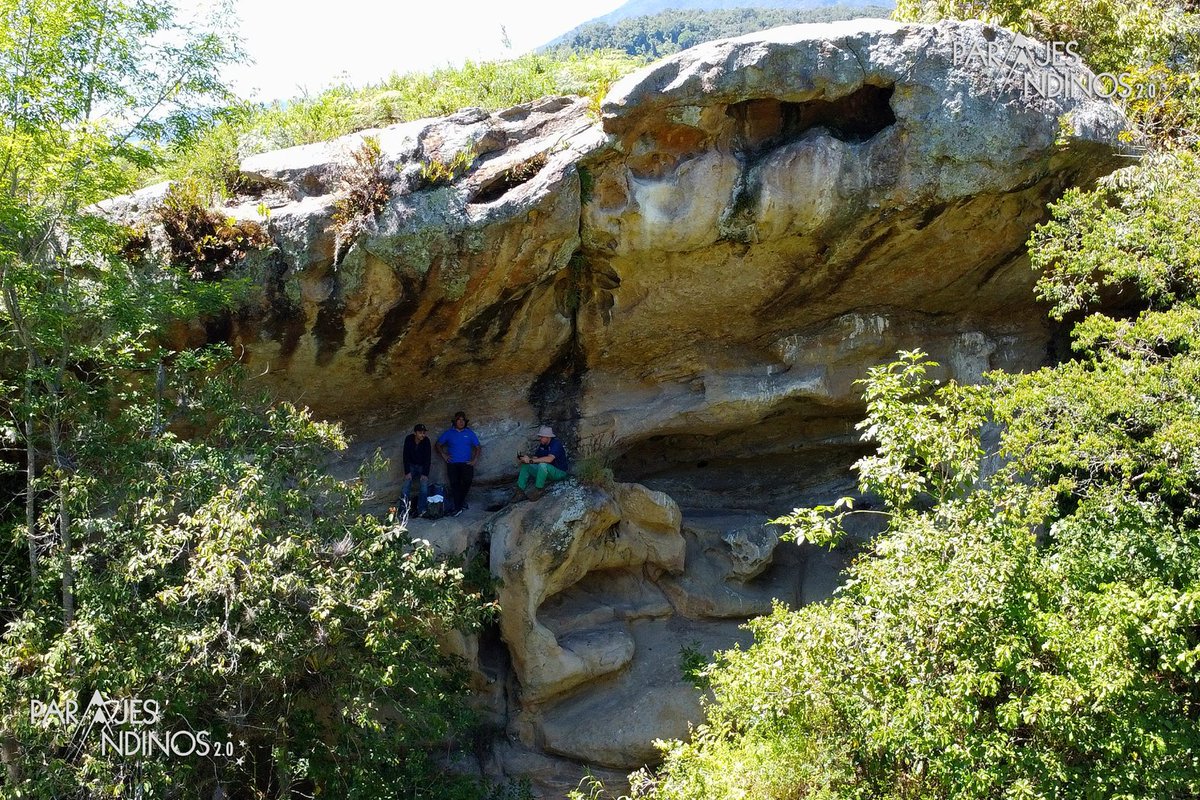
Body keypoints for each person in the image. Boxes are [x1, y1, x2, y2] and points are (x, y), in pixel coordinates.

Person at [437, 411, 481, 517]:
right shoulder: (449, 433)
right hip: (452, 464)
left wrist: (474, 460)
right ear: (455, 421)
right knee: (455, 485)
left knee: (467, 481)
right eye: (459, 420)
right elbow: (438, 444)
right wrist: (444, 455)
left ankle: (460, 503)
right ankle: (458, 508)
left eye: (463, 420)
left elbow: (478, 447)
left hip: (466, 463)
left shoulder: (469, 433)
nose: (461, 422)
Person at [515, 425, 570, 501]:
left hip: (559, 472)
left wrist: (531, 460)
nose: (540, 439)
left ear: (548, 437)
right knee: (526, 466)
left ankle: (539, 490)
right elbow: (535, 458)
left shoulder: (556, 444)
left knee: (543, 465)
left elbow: (549, 459)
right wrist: (526, 459)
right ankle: (520, 491)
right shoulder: (542, 445)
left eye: (542, 437)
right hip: (547, 472)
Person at [399, 423, 431, 517]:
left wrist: (425, 473)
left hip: (422, 466)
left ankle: (422, 510)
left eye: (424, 433)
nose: (423, 435)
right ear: (415, 433)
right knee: (406, 487)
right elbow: (405, 455)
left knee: (424, 487)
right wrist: (407, 472)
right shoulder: (409, 439)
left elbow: (428, 458)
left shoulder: (426, 441)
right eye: (420, 433)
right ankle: (403, 511)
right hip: (411, 465)